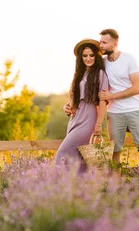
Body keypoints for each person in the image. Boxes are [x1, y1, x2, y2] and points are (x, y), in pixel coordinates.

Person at [98, 29, 139, 164]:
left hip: (135, 109)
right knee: (115, 152)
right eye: (100, 42)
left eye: (104, 42)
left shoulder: (129, 59)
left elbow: (136, 88)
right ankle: (117, 184)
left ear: (114, 43)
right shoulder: (102, 63)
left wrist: (112, 95)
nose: (101, 45)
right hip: (115, 113)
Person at [56, 38, 109, 171]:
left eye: (91, 55)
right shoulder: (79, 74)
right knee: (77, 156)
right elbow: (76, 97)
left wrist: (98, 123)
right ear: (80, 57)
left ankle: (58, 182)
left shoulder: (100, 74)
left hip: (89, 117)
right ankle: (77, 188)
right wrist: (67, 106)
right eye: (85, 56)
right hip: (75, 118)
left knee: (62, 152)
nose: (88, 58)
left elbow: (103, 101)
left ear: (96, 56)